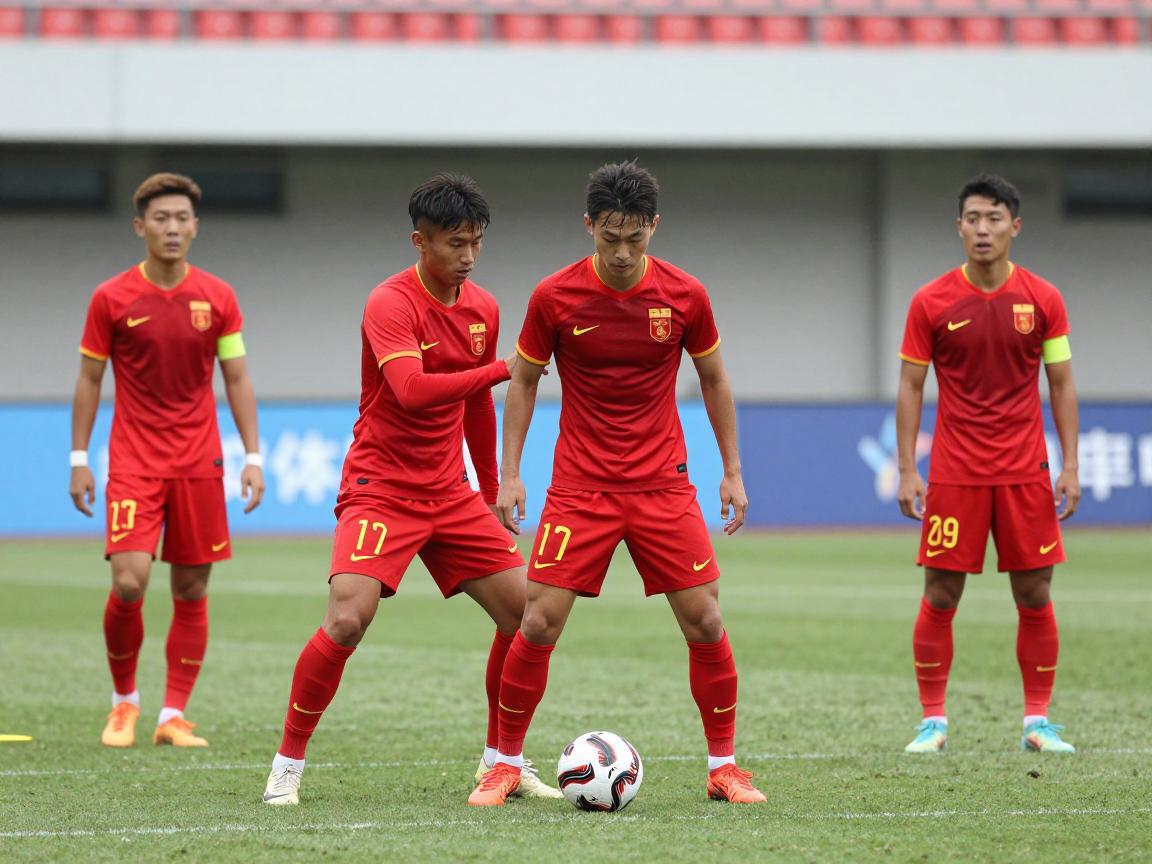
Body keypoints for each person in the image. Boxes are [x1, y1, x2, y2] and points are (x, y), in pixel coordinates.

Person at [467, 161, 766, 807]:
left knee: (706, 620)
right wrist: (510, 475)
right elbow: (523, 381)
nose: (623, 253)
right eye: (610, 238)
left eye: (635, 238)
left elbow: (714, 378)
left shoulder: (686, 295)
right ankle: (506, 765)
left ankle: (724, 768)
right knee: (538, 621)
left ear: (654, 226)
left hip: (663, 484)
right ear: (589, 226)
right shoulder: (554, 296)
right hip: (581, 487)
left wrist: (732, 470)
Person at [262, 174, 561, 806]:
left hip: (450, 493)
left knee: (527, 617)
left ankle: (500, 762)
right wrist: (501, 368)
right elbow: (412, 391)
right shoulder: (390, 303)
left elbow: (476, 405)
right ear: (419, 241)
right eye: (456, 243)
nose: (469, 256)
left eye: (477, 243)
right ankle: (287, 765)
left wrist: (489, 490)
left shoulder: (482, 307)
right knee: (347, 619)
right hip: (380, 488)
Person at [71, 172, 266, 749]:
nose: (173, 227)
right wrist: (79, 457)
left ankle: (173, 716)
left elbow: (237, 378)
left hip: (199, 460)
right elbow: (89, 378)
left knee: (191, 587)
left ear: (195, 226)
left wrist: (253, 455)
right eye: (161, 218)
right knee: (129, 581)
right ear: (141, 227)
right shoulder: (110, 298)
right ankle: (124, 703)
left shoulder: (219, 297)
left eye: (182, 218)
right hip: (134, 459)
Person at [896, 173, 1081, 754]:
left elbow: (1061, 382)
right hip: (956, 472)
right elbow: (910, 385)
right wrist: (908, 469)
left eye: (994, 218)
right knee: (941, 593)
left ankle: (1037, 722)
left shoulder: (1044, 299)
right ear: (959, 227)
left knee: (1035, 593)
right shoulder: (930, 301)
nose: (983, 229)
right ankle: (933, 722)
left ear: (1014, 227)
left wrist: (1070, 465)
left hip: (1025, 471)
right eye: (973, 218)